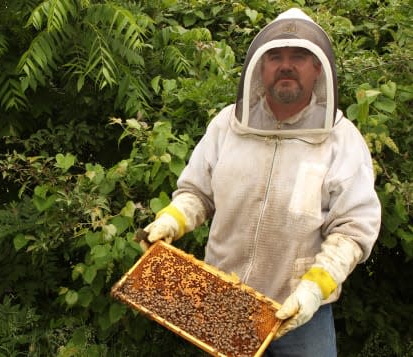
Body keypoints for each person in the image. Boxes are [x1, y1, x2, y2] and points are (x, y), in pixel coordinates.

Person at [142, 8, 381, 356]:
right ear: (260, 67)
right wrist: (170, 220)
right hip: (223, 301)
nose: (286, 65)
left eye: (299, 56)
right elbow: (197, 192)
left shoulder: (341, 140)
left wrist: (313, 290)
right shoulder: (228, 125)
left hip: (300, 313)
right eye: (275, 57)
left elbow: (353, 230)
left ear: (318, 68)